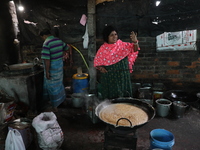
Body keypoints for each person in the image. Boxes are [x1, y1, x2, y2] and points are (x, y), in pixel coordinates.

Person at [94, 25, 140, 99]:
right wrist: (100, 68)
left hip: (123, 76)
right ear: (107, 37)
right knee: (112, 97)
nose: (114, 37)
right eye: (111, 35)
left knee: (124, 94)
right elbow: (97, 62)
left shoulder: (122, 45)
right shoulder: (103, 49)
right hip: (110, 77)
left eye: (115, 34)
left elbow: (134, 49)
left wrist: (135, 41)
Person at [40, 29, 69, 112]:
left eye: (42, 37)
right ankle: (63, 100)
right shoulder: (58, 40)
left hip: (52, 67)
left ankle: (55, 105)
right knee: (59, 84)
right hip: (59, 66)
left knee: (52, 86)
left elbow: (47, 60)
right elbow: (66, 47)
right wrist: (63, 53)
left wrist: (47, 71)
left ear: (44, 36)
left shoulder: (46, 43)